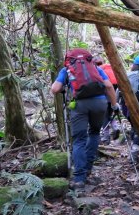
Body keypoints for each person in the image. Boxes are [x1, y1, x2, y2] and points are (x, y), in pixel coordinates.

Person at [51, 50, 120, 190]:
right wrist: (114, 104)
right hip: (100, 104)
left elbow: (55, 89)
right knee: (94, 133)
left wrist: (65, 85)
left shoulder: (67, 70)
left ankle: (79, 179)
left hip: (79, 105)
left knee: (79, 140)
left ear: (70, 59)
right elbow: (108, 86)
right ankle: (88, 168)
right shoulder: (96, 68)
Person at [93, 56, 121, 145]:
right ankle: (115, 126)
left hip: (104, 95)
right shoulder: (111, 67)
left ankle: (106, 136)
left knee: (104, 116)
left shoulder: (97, 70)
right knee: (109, 114)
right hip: (115, 94)